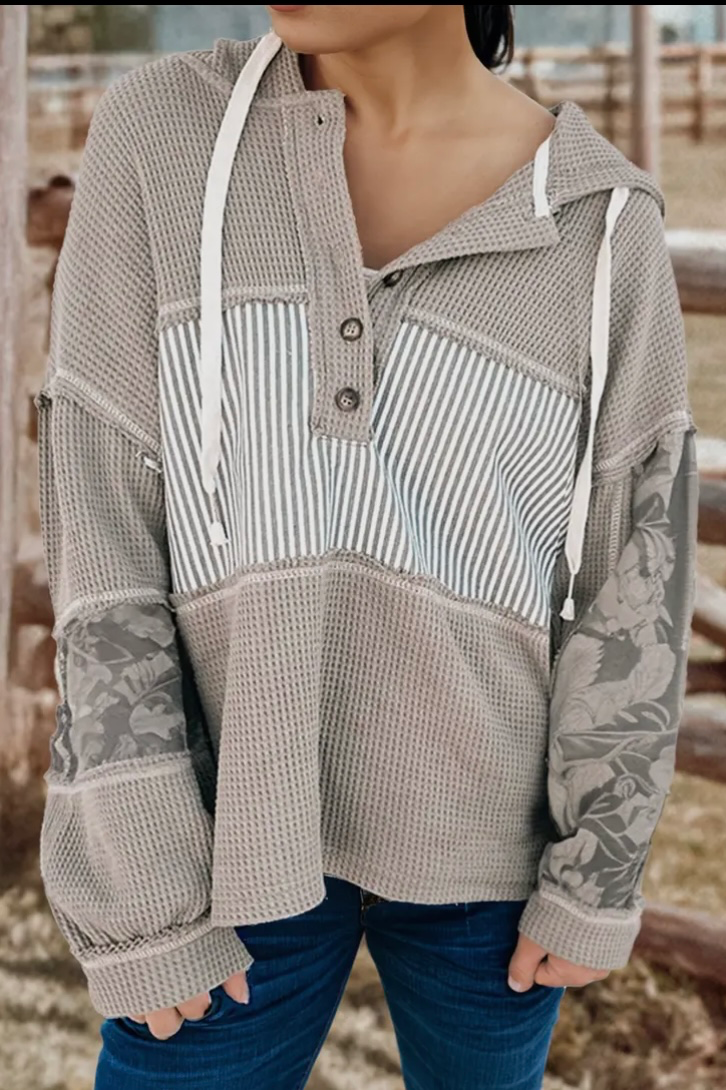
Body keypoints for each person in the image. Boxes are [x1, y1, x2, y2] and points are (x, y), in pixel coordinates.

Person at [36, 5, 697, 1089]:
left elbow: (634, 572)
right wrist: (141, 869)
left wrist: (598, 869)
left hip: (489, 851)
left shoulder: (600, 221)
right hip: (226, 830)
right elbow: (102, 511)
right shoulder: (162, 133)